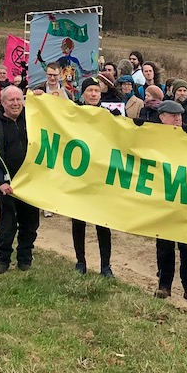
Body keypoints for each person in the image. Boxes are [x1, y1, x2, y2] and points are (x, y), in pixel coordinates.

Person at [0, 86, 39, 273]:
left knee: (30, 223)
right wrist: (0, 182)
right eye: (11, 100)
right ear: (3, 103)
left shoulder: (32, 119)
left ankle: (25, 259)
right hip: (7, 184)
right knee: (7, 223)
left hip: (30, 183)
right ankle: (2, 259)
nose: (15, 103)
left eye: (18, 100)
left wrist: (44, 97)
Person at [152, 98, 187, 304]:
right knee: (164, 246)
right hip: (164, 200)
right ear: (162, 118)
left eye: (180, 116)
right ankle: (164, 285)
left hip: (186, 200)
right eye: (173, 116)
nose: (178, 120)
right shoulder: (153, 137)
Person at [72, 79, 116, 278]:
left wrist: (123, 123)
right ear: (83, 94)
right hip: (80, 175)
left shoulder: (108, 115)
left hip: (101, 177)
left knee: (103, 223)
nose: (93, 94)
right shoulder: (74, 113)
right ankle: (80, 261)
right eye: (89, 90)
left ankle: (105, 266)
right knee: (78, 220)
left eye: (96, 91)